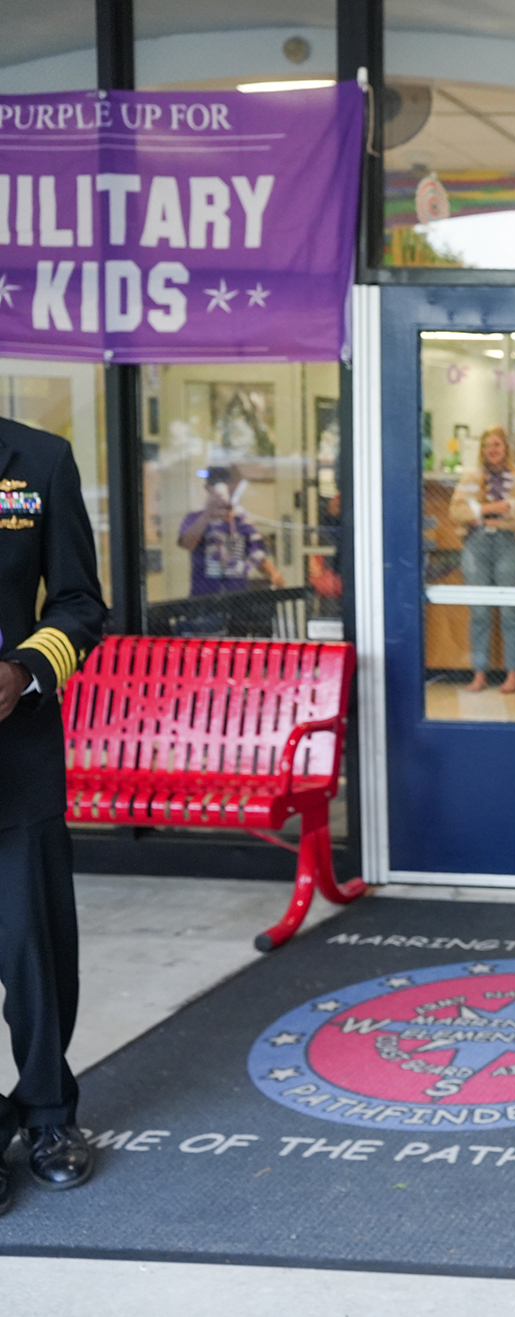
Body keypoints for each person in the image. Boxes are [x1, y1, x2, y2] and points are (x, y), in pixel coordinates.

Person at [0, 414, 110, 1214]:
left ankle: (46, 1113)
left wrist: (28, 668)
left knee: (33, 944)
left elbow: (79, 602)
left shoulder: (38, 460)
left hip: (17, 756)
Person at [448, 427, 515, 694]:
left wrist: (490, 517)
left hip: (509, 546)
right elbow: (456, 511)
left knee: (510, 610)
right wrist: (492, 508)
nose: (492, 450)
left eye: (496, 444)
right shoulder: (472, 479)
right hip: (476, 546)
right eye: (487, 446)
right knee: (480, 612)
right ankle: (479, 673)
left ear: (506, 448)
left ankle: (512, 675)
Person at [176, 464, 285, 596]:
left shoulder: (241, 522)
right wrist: (208, 513)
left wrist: (273, 574)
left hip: (236, 600)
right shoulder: (195, 519)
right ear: (207, 488)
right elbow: (187, 544)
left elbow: (257, 556)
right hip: (204, 600)